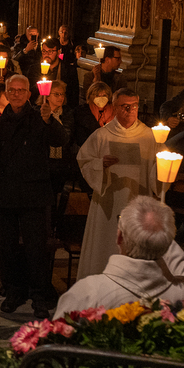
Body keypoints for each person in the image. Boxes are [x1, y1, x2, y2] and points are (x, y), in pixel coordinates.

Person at [0, 74, 68, 318]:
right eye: (13, 90)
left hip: (33, 193)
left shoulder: (40, 117)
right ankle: (13, 291)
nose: (17, 94)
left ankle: (39, 294)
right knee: (8, 247)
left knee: (36, 248)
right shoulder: (0, 124)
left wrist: (49, 121)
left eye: (22, 90)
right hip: (6, 193)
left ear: (29, 94)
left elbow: (60, 141)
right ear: (7, 93)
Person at [54, 196, 184, 318]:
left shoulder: (86, 293)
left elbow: (53, 350)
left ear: (119, 237)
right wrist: (161, 233)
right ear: (168, 243)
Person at [76, 88, 159, 279]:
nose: (130, 111)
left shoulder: (149, 136)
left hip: (139, 201)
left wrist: (163, 167)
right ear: (114, 107)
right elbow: (83, 160)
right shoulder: (102, 135)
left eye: (134, 106)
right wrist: (100, 165)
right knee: (107, 245)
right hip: (108, 202)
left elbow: (159, 169)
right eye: (125, 106)